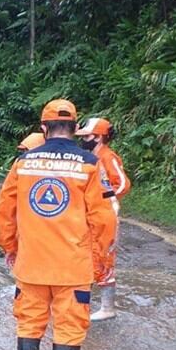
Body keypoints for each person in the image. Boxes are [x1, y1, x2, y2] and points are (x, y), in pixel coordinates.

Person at [0, 99, 117, 350]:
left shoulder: (23, 163)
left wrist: (10, 246)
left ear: (44, 128)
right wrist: (100, 257)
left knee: (29, 325)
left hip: (31, 265)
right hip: (72, 268)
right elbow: (103, 219)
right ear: (75, 129)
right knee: (68, 329)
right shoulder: (89, 163)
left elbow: (4, 210)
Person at [76, 117, 131, 321]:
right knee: (87, 254)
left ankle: (108, 308)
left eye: (88, 136)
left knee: (104, 256)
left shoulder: (108, 157)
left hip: (106, 214)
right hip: (90, 213)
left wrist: (106, 198)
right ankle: (83, 302)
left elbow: (124, 183)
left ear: (99, 137)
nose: (84, 140)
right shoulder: (90, 157)